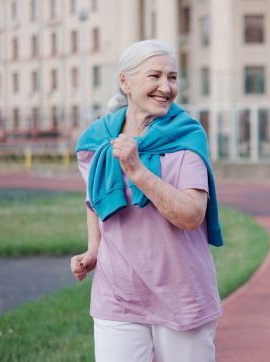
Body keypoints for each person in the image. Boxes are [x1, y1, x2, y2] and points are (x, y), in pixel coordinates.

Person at [70, 40, 223, 361]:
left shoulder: (186, 136)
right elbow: (94, 200)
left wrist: (138, 170)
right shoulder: (98, 139)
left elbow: (192, 215)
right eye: (155, 76)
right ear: (125, 82)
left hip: (181, 292)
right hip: (118, 293)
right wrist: (94, 250)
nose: (166, 87)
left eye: (173, 77)